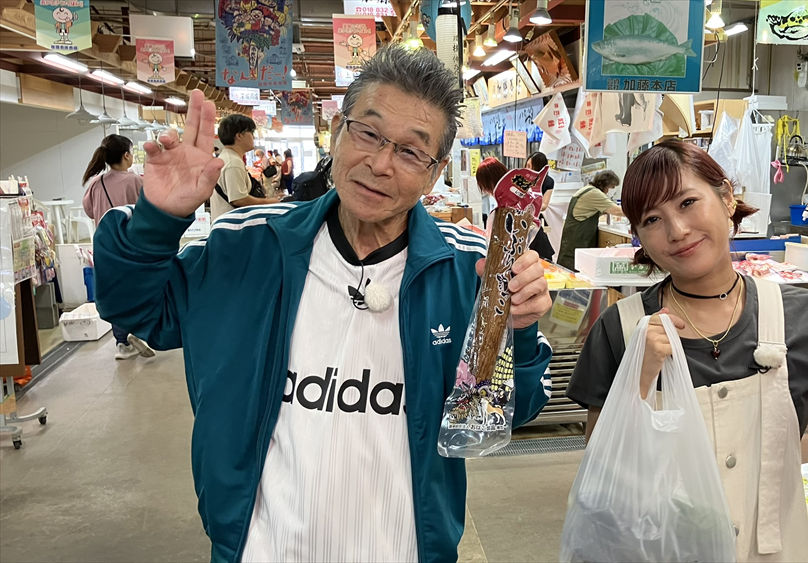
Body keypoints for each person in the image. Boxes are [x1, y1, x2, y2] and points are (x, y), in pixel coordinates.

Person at [93, 45, 552, 562]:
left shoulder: (467, 268)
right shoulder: (246, 246)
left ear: (435, 171)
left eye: (410, 151)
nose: (380, 164)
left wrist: (517, 328)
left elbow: (506, 413)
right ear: (337, 131)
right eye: (368, 133)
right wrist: (156, 221)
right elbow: (135, 309)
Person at [566, 140, 808, 561]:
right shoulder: (622, 330)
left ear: (726, 198)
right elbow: (601, 481)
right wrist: (638, 381)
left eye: (687, 202)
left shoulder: (801, 316)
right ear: (639, 237)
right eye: (652, 219)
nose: (677, 230)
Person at [81, 134, 155, 361]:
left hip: (104, 247)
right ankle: (138, 331)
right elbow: (150, 210)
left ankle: (122, 342)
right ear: (126, 155)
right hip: (132, 246)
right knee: (139, 289)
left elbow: (90, 211)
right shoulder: (135, 181)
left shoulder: (96, 183)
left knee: (116, 293)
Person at [210, 115, 281, 221]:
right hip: (233, 226)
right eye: (251, 132)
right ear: (239, 135)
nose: (254, 137)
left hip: (226, 224)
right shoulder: (233, 162)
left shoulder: (227, 158)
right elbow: (239, 199)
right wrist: (270, 202)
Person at [555, 170, 622, 271]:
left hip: (571, 240)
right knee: (575, 272)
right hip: (578, 241)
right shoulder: (595, 194)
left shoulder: (586, 189)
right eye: (612, 187)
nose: (611, 191)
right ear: (605, 184)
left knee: (567, 272)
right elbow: (617, 211)